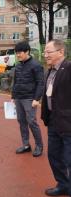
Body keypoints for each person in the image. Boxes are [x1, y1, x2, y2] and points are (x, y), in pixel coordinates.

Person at [41, 39, 71, 197]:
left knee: (69, 159)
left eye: (48, 52)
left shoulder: (69, 68)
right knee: (53, 156)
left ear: (61, 52)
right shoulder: (49, 71)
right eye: (44, 52)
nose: (45, 55)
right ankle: (63, 185)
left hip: (68, 124)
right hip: (52, 122)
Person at [12, 41, 44, 157]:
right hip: (19, 98)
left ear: (27, 52)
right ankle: (26, 145)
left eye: (20, 53)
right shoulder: (18, 65)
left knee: (32, 122)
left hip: (30, 99)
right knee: (21, 121)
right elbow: (15, 82)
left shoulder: (36, 65)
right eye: (16, 53)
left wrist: (37, 98)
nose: (18, 55)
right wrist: (13, 96)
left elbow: (40, 83)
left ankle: (39, 145)